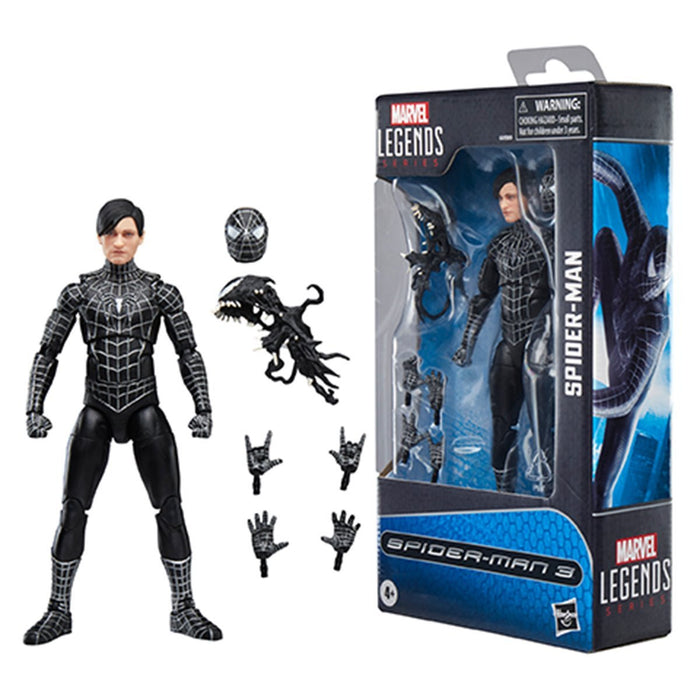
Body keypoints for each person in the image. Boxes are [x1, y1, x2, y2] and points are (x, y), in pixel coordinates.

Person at [23, 198, 222, 644]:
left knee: (171, 509)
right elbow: (47, 351)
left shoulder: (160, 292)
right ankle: (58, 610)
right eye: (111, 233)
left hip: (144, 406)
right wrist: (34, 408)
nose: (118, 242)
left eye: (127, 233)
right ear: (99, 238)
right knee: (72, 511)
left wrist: (203, 407)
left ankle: (184, 608)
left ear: (141, 238)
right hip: (96, 407)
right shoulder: (78, 292)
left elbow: (188, 352)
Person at [452, 169, 553, 492]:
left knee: (546, 429)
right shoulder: (499, 245)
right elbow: (483, 298)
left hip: (545, 351)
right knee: (502, 425)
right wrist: (467, 344)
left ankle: (549, 490)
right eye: (500, 198)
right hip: (509, 347)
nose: (503, 204)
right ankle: (502, 493)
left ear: (529, 196)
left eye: (510, 196)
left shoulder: (555, 242)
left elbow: (571, 298)